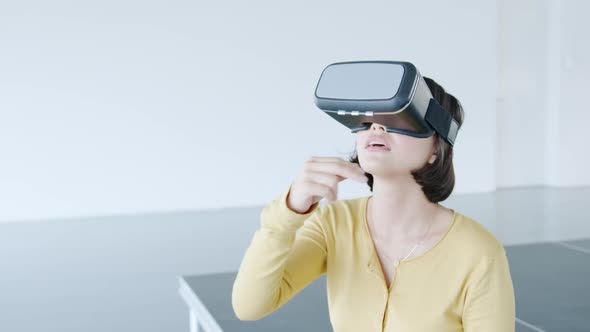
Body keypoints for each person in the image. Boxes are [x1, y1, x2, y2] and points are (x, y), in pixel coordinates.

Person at [231, 77, 516, 331]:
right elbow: (249, 307)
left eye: (400, 118)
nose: (377, 126)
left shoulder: (479, 253)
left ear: (436, 149)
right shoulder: (333, 224)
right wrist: (288, 211)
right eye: (366, 119)